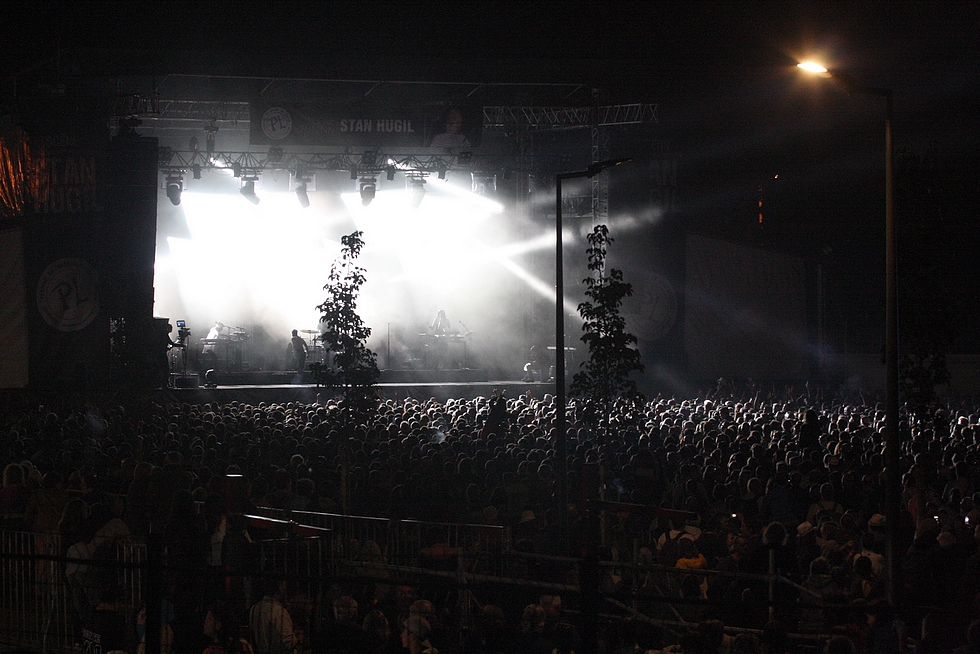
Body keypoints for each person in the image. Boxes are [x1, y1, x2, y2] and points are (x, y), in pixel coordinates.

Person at [249, 578, 296, 654]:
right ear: (279, 588)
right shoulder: (278, 611)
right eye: (283, 585)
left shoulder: (255, 608)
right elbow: (288, 642)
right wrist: (297, 639)